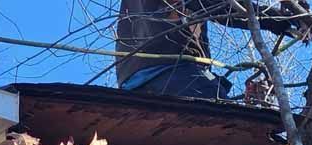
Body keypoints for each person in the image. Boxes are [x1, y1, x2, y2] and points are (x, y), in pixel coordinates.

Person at [117, 0, 299, 98]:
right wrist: (275, 19)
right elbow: (215, 4)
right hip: (172, 69)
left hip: (133, 80)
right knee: (227, 121)